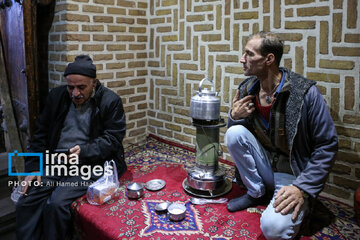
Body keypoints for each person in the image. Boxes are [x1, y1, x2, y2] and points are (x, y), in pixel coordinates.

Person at [225, 32, 338, 239]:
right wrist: (234, 116)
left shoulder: (305, 93)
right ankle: (256, 192)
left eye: (249, 54)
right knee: (234, 133)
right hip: (265, 167)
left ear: (269, 59)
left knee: (273, 229)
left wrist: (302, 187)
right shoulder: (247, 88)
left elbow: (327, 144)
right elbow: (239, 138)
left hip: (293, 175)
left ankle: (296, 201)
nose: (242, 59)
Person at [16, 55, 127, 240]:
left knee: (56, 204)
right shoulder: (57, 97)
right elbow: (41, 134)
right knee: (27, 201)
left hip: (93, 163)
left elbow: (113, 139)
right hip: (58, 161)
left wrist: (84, 150)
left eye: (81, 87)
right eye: (71, 87)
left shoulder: (110, 101)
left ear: (94, 83)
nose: (75, 93)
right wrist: (34, 167)